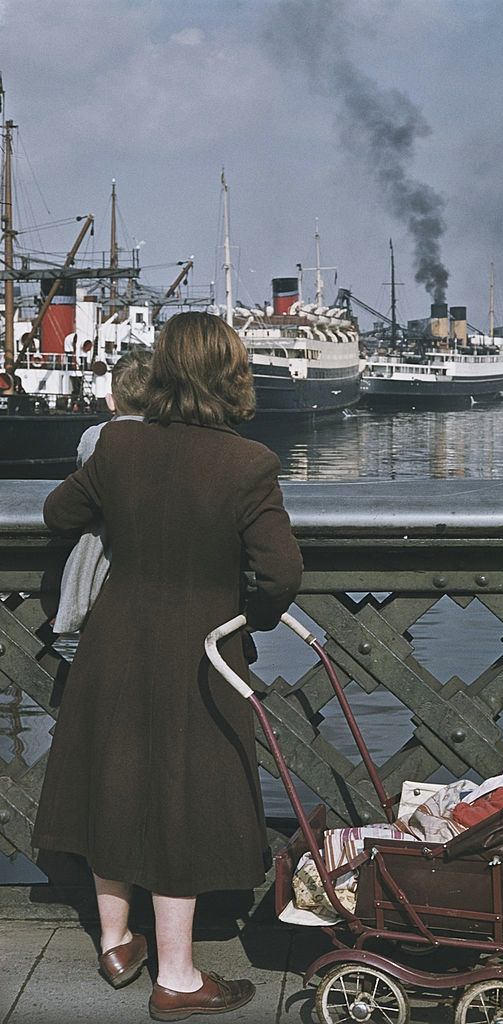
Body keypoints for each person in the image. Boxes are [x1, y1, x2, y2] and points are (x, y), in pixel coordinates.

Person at [33, 312, 303, 1020]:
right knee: (178, 796)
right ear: (231, 374)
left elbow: (59, 514)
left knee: (114, 778)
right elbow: (279, 574)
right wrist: (247, 621)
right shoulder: (248, 463)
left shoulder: (118, 452)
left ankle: (118, 941)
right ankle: (177, 976)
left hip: (114, 643)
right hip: (199, 650)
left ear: (161, 371)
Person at [290, 729, 503, 920]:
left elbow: (472, 820)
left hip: (452, 837)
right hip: (471, 841)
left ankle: (329, 870)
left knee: (376, 841)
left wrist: (458, 808)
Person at [53, 348, 152, 634]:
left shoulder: (96, 437)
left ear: (111, 400)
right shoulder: (174, 440)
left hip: (106, 573)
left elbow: (65, 506)